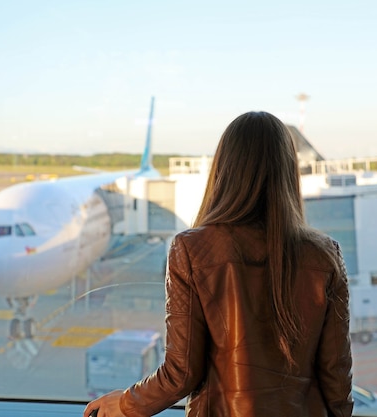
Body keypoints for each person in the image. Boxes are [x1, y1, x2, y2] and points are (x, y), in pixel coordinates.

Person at [83, 111, 353, 417]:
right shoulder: (325, 255)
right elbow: (336, 377)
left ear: (223, 169)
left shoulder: (191, 249)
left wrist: (125, 404)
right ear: (288, 172)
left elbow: (181, 372)